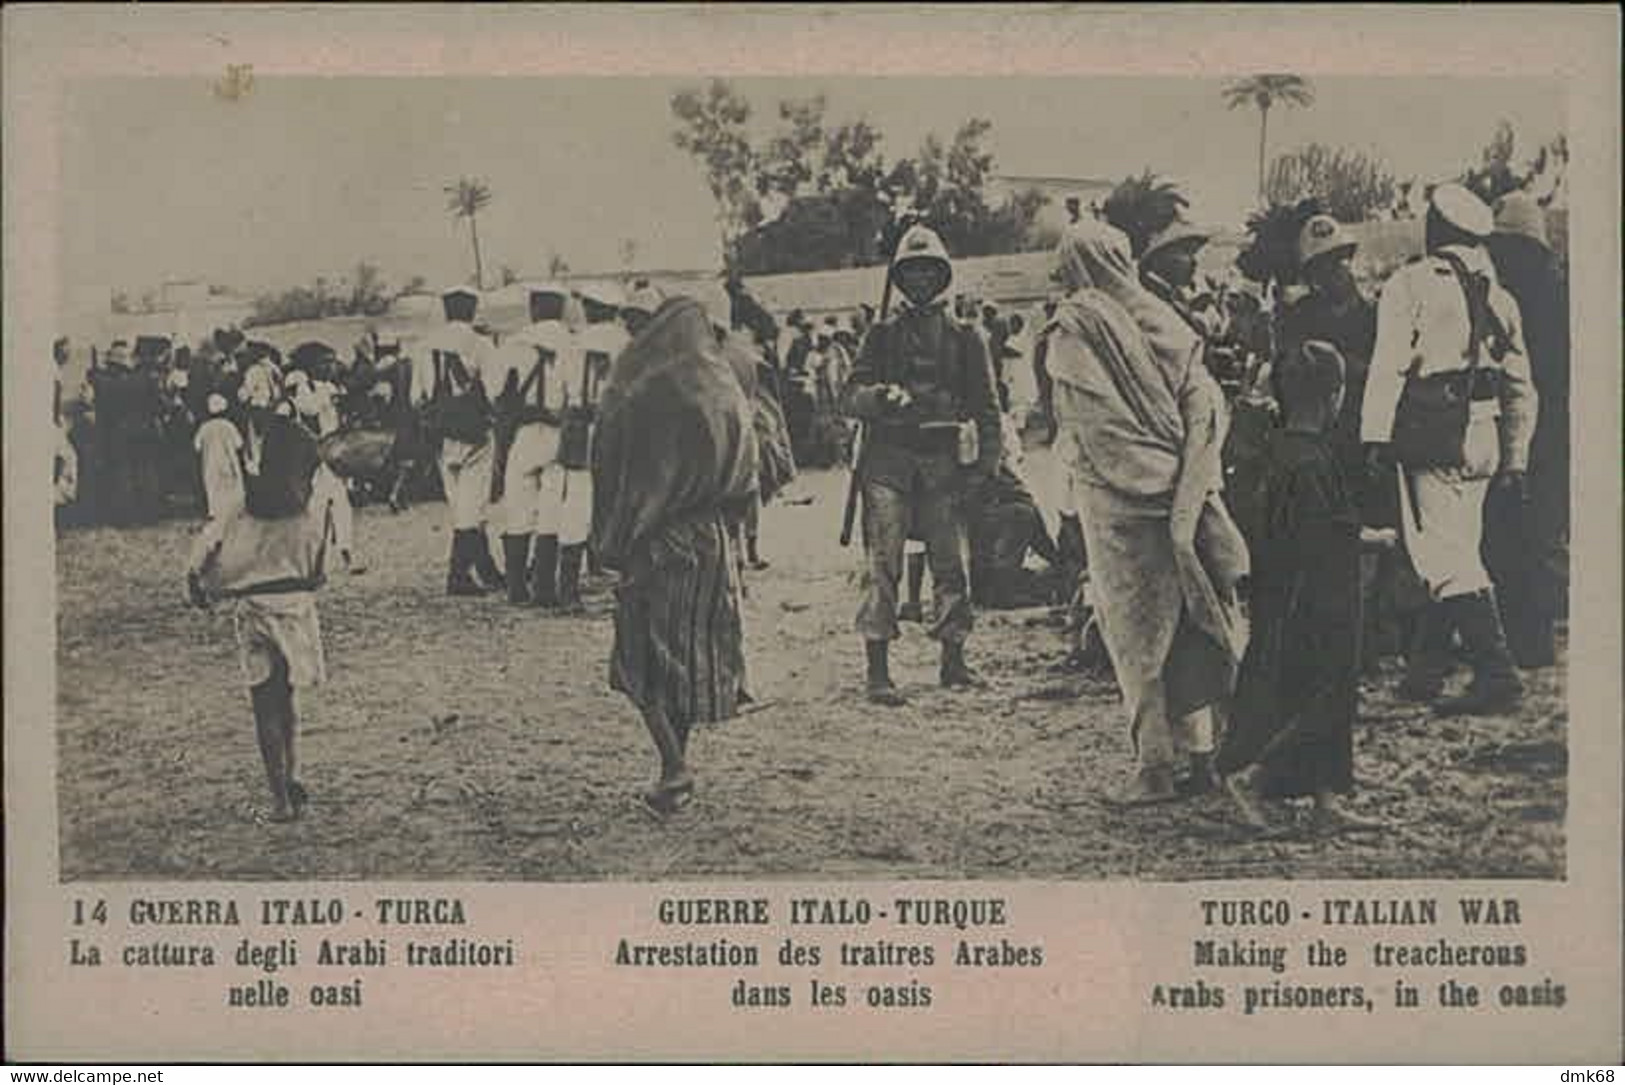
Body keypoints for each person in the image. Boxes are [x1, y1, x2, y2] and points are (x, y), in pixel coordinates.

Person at [1046, 220, 1249, 804]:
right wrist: (1184, 481)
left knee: (1136, 634)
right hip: (1187, 492)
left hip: (1119, 506)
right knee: (1191, 624)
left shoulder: (1076, 327)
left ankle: (1156, 767)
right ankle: (1205, 756)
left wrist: (1148, 479)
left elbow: (1096, 428)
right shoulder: (1165, 319)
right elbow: (1205, 411)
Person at [1363, 183, 1537, 716]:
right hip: (1484, 434)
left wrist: (1373, 436)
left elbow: (1389, 363)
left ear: (1438, 229)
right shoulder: (1499, 296)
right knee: (1458, 549)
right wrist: (1516, 457)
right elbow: (1520, 385)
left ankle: (1497, 673)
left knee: (1441, 557)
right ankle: (1425, 673)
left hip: (1433, 434)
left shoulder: (1412, 283)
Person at [591, 296, 757, 816]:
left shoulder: (638, 389)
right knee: (684, 656)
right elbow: (751, 474)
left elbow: (612, 467)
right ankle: (674, 768)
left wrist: (610, 539)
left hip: (657, 538)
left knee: (637, 657)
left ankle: (672, 766)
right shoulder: (724, 388)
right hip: (713, 537)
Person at [1219, 340, 1384, 835]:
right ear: (1334, 396)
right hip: (1316, 599)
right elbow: (1320, 535)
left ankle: (1325, 799)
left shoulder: (1279, 452)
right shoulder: (1310, 463)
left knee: (1311, 690)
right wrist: (1369, 538)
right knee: (1319, 692)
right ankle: (1249, 776)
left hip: (1287, 595)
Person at [841, 224, 1002, 704]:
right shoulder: (882, 334)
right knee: (883, 564)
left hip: (944, 465)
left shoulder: (966, 337)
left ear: (943, 275)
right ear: (900, 276)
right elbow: (850, 395)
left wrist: (983, 470)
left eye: (929, 271)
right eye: (910, 272)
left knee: (951, 565)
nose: (919, 281)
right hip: (888, 464)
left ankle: (953, 661)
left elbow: (988, 408)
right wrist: (880, 397)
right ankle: (878, 670)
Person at [186, 411, 330, 823]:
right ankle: (296, 772)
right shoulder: (310, 510)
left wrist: (198, 584)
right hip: (297, 610)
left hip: (252, 610)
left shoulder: (240, 504)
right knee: (289, 697)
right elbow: (321, 572)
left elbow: (205, 549)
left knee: (264, 704)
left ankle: (280, 799)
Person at [1483, 191, 1568, 669]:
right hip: (1537, 428)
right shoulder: (1540, 294)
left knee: (1530, 535)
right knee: (1525, 534)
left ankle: (1531, 641)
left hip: (1544, 431)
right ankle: (1525, 639)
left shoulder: (1538, 301)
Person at [410, 286, 505, 596]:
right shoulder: (479, 344)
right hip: (474, 432)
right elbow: (495, 392)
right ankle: (458, 576)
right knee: (472, 506)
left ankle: (487, 569)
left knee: (460, 504)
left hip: (440, 433)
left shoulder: (424, 346)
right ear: (471, 310)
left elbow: (416, 398)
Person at [490, 284, 575, 606]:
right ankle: (544, 587)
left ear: (534, 308)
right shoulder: (572, 343)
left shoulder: (515, 343)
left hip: (524, 433)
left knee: (518, 510)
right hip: (558, 434)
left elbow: (498, 393)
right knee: (552, 511)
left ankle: (516, 587)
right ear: (561, 308)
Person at [288, 369, 363, 574]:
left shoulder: (318, 401)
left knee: (333, 506)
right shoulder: (304, 403)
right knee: (324, 508)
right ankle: (324, 558)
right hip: (319, 459)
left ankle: (340, 555)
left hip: (326, 457)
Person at [194, 392, 246, 521]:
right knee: (232, 485)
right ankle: (235, 510)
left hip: (210, 463)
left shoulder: (204, 427)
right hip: (228, 461)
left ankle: (213, 511)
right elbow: (239, 444)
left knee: (212, 487)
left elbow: (197, 446)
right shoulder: (229, 426)